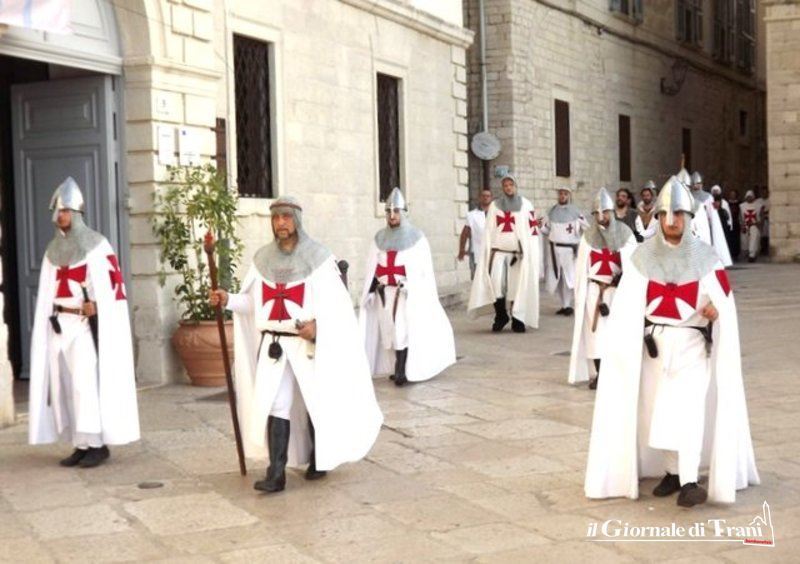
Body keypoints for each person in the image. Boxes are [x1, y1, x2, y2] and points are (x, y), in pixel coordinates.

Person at [585, 177, 759, 508]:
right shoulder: (642, 259)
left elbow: (725, 301)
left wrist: (715, 309)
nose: (671, 220)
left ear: (689, 217)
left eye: (677, 213)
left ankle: (690, 481)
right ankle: (672, 472)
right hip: (653, 347)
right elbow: (627, 308)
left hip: (692, 344)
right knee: (657, 411)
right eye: (664, 214)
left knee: (688, 411)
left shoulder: (706, 258)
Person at [209, 196, 383, 493]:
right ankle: (276, 473)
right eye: (276, 218)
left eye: (286, 217)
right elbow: (253, 304)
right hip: (274, 346)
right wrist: (228, 300)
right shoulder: (262, 260)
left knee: (315, 400)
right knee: (276, 403)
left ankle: (319, 459)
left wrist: (318, 327)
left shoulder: (318, 258)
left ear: (297, 221)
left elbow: (339, 308)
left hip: (306, 346)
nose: (281, 223)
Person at [28, 177, 140, 468]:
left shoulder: (97, 246)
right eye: (57, 211)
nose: (60, 215)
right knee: (65, 385)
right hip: (59, 324)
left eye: (65, 210)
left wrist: (98, 306)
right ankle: (80, 443)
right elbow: (47, 291)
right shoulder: (53, 251)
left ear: (76, 212)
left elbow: (114, 288)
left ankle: (97, 445)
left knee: (84, 384)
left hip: (82, 326)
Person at [360, 188, 456, 387]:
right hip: (385, 293)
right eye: (388, 211)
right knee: (388, 330)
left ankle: (401, 369)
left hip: (404, 295)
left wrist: (410, 286)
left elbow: (423, 272)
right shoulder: (379, 239)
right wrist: (370, 291)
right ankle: (397, 366)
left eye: (396, 211)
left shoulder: (417, 239)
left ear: (403, 212)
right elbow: (372, 269)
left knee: (401, 330)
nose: (392, 215)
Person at [567, 188, 636, 390]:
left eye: (604, 212)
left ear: (611, 212)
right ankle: (599, 373)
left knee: (616, 333)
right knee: (594, 333)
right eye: (596, 213)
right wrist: (581, 294)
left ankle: (615, 372)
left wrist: (623, 279)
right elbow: (581, 268)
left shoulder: (625, 234)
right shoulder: (588, 238)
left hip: (616, 291)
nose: (601, 216)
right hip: (594, 291)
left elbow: (633, 265)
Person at [468, 174, 540, 332]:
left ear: (515, 186)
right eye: (505, 185)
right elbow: (489, 230)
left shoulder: (526, 205)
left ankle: (517, 318)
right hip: (498, 253)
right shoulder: (495, 206)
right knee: (496, 285)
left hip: (518, 254)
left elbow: (532, 230)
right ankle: (501, 316)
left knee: (517, 286)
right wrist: (486, 251)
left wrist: (530, 251)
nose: (508, 188)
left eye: (510, 185)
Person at [541, 187, 588, 316]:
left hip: (569, 250)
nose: (562, 196)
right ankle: (564, 305)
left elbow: (586, 228)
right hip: (554, 250)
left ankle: (568, 304)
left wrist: (581, 244)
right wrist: (539, 226)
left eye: (565, 194)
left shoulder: (576, 212)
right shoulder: (551, 211)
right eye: (560, 194)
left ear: (569, 196)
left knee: (569, 278)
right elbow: (546, 230)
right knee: (558, 278)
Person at [679, 169, 732, 266]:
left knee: (704, 243)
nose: (696, 186)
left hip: (704, 225)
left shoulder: (708, 197)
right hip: (691, 224)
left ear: (702, 184)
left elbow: (712, 214)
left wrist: (711, 223)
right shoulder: (687, 196)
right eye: (694, 184)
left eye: (698, 183)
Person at [458, 188, 493, 279]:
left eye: (488, 196)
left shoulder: (496, 214)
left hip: (493, 251)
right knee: (478, 279)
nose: (485, 198)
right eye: (483, 196)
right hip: (477, 251)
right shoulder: (472, 215)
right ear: (479, 198)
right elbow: (465, 233)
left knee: (493, 278)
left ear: (491, 198)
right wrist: (462, 249)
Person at [711, 185, 734, 259]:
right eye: (714, 191)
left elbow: (728, 214)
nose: (715, 193)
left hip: (723, 226)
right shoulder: (709, 201)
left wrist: (730, 224)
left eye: (717, 191)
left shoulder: (725, 202)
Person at [739, 190, 763, 263]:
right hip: (745, 225)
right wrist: (742, 225)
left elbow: (761, 217)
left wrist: (759, 224)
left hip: (755, 225)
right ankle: (746, 253)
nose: (749, 198)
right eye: (748, 197)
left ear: (753, 197)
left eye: (751, 197)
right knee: (744, 241)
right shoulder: (742, 206)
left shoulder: (758, 205)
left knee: (754, 238)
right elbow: (740, 217)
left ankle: (752, 255)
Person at [727, 189, 742, 261]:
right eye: (731, 194)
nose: (732, 195)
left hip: (736, 223)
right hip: (729, 223)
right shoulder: (727, 203)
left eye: (734, 194)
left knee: (736, 239)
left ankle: (736, 254)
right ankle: (730, 254)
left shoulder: (739, 203)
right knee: (730, 239)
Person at [759, 187, 770, 256]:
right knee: (762, 235)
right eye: (763, 192)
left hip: (768, 220)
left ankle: (767, 249)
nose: (764, 193)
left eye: (765, 192)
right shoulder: (758, 201)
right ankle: (762, 249)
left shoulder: (770, 200)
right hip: (761, 220)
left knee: (768, 235)